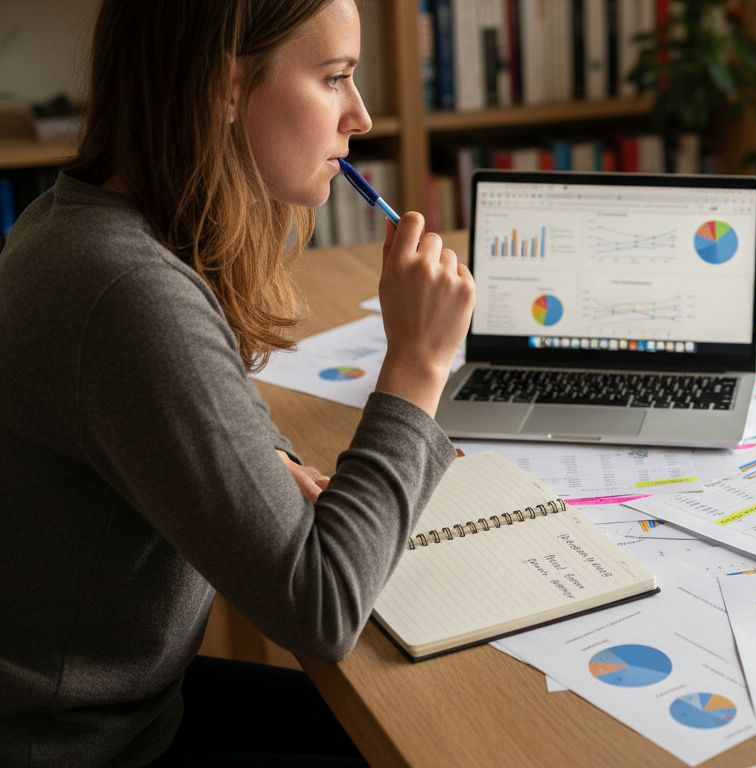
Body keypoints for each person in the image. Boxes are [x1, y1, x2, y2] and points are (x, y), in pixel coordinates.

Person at [0, 0, 474, 765]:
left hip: (129, 713)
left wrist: (263, 458)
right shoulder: (125, 289)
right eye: (335, 78)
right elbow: (321, 608)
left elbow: (198, 397)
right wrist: (418, 365)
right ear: (224, 90)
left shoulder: (90, 227)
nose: (359, 116)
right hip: (87, 747)